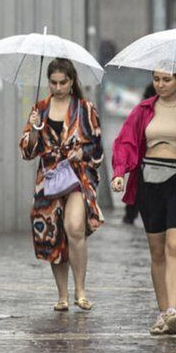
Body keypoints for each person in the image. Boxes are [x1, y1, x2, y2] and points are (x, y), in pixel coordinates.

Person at [110, 71, 176, 335]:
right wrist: (120, 173)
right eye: (157, 79)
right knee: (157, 252)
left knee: (175, 245)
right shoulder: (143, 110)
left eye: (166, 79)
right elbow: (125, 142)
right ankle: (162, 314)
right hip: (149, 183)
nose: (160, 84)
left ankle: (172, 310)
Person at [19, 58, 105, 312]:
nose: (57, 87)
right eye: (53, 82)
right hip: (49, 179)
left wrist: (82, 153)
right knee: (53, 233)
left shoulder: (85, 109)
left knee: (74, 227)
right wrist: (34, 129)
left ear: (71, 81)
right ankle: (62, 295)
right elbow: (27, 151)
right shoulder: (40, 109)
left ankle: (80, 290)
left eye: (63, 82)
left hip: (78, 176)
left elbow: (97, 146)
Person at [122, 83, 156, 225]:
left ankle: (130, 217)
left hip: (146, 163)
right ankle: (131, 217)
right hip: (143, 162)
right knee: (138, 191)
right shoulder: (142, 111)